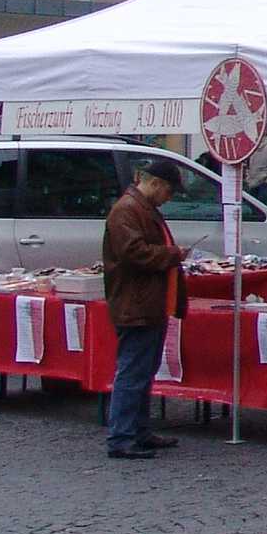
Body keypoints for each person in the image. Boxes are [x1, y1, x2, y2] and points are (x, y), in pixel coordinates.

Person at [101, 160, 190, 459]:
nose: (170, 197)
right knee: (132, 372)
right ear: (155, 184)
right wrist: (172, 255)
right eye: (169, 191)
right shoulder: (126, 210)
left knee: (142, 371)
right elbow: (133, 253)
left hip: (148, 303)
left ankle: (137, 430)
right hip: (136, 304)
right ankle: (122, 437)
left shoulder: (142, 209)